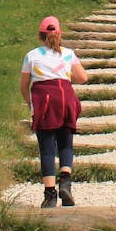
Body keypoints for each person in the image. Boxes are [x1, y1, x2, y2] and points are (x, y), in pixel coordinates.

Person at [20, 15, 88, 208]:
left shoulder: (32, 56)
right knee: (66, 143)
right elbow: (83, 77)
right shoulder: (67, 54)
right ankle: (65, 180)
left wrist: (30, 103)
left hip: (44, 101)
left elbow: (24, 85)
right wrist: (65, 74)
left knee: (47, 149)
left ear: (41, 35)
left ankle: (50, 195)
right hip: (65, 98)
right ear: (60, 34)